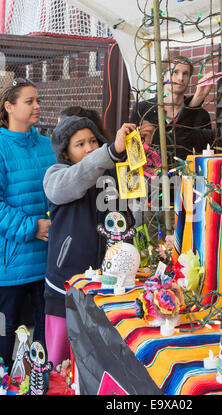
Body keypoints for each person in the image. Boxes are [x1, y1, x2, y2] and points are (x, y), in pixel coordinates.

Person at [43, 115, 136, 367]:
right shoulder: (55, 176)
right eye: (80, 144)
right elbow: (80, 176)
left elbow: (135, 206)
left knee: (98, 364)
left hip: (109, 285)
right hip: (65, 285)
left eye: (93, 141)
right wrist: (110, 152)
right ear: (65, 152)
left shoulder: (113, 174)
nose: (89, 148)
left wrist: (137, 154)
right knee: (59, 363)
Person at [0, 78, 55, 372]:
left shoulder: (48, 145)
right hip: (10, 265)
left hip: (48, 261)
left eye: (38, 100)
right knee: (3, 334)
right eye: (29, 101)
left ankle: (42, 385)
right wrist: (33, 227)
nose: (37, 106)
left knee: (47, 333)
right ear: (9, 106)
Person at [130, 56, 219, 162]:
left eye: (185, 73)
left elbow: (204, 154)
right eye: (175, 72)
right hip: (151, 176)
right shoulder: (142, 109)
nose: (181, 78)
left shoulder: (201, 115)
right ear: (163, 76)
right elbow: (131, 152)